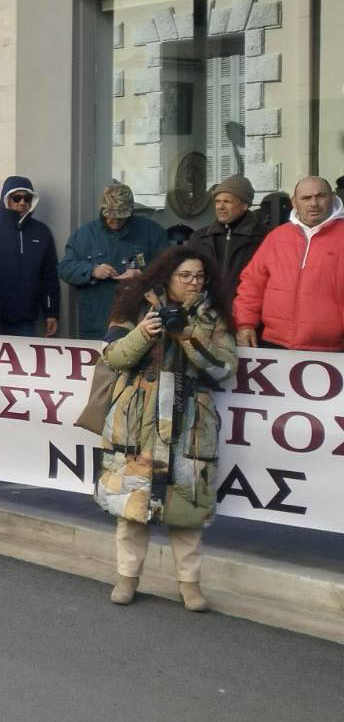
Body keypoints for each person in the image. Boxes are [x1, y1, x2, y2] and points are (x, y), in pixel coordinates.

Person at [95, 246, 236, 612]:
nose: (194, 282)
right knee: (132, 506)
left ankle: (190, 585)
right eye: (186, 275)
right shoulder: (135, 305)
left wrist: (188, 334)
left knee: (186, 509)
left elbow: (224, 367)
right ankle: (127, 578)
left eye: (200, 277)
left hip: (189, 422)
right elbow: (112, 357)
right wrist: (144, 332)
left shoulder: (210, 316)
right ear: (168, 276)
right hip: (137, 419)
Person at [233, 175, 344, 351]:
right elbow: (252, 284)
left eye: (320, 196)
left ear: (331, 197)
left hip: (332, 349)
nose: (313, 203)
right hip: (274, 344)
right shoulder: (277, 237)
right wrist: (245, 324)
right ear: (294, 202)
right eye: (306, 198)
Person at [57, 182, 168, 339]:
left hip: (140, 322)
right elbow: (64, 268)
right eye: (110, 215)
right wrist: (92, 270)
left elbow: (170, 267)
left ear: (130, 212)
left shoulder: (152, 232)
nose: (114, 220)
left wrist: (142, 274)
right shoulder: (84, 235)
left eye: (120, 217)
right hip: (96, 323)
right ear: (102, 210)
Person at [0, 177, 59, 337]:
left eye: (27, 198)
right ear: (6, 199)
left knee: (23, 362)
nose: (22, 203)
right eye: (16, 198)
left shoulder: (42, 232)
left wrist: (51, 313)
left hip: (24, 320)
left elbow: (49, 277)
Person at [185, 176, 267, 295]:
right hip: (207, 310)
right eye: (217, 201)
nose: (220, 207)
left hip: (246, 309)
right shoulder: (200, 238)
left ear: (244, 205)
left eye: (227, 201)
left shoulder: (264, 238)